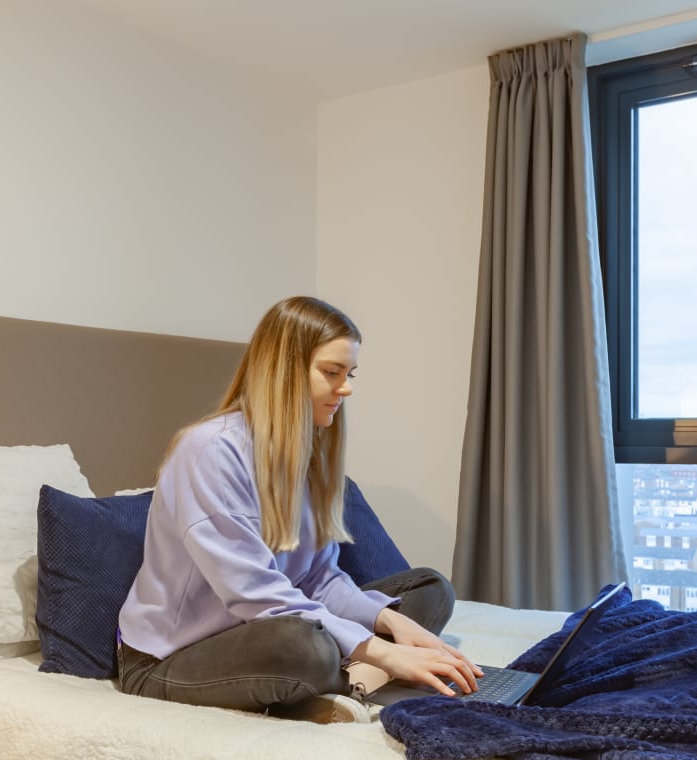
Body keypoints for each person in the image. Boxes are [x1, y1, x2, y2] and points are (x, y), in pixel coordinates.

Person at [117, 295, 481, 723]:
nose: (346, 388)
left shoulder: (305, 454)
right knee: (302, 646)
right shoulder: (210, 451)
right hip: (169, 658)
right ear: (284, 371)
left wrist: (389, 621)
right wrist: (383, 651)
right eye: (332, 373)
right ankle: (349, 675)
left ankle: (341, 680)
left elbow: (319, 579)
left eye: (349, 374)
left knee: (428, 590)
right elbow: (254, 594)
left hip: (268, 626)